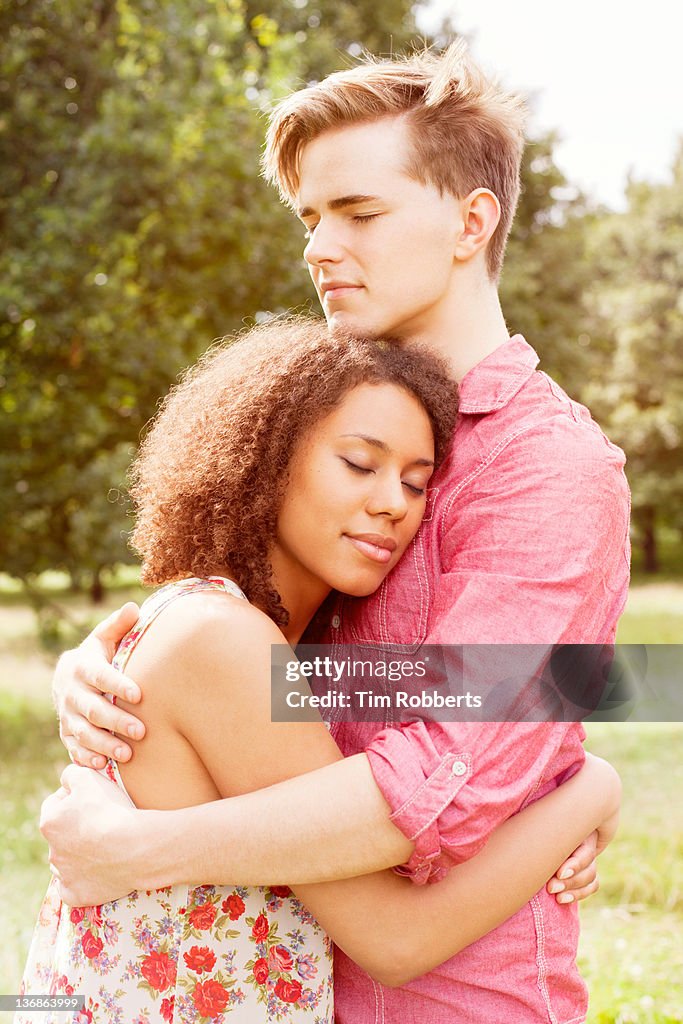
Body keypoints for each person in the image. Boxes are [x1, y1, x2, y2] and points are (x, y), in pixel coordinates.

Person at [44, 40, 630, 1024]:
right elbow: (286, 673)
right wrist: (106, 672)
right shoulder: (330, 420)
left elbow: (440, 781)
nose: (318, 245)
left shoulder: (544, 471)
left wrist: (146, 844)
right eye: (310, 216)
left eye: (358, 211)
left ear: (469, 221)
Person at [18, 319, 620, 1024]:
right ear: (263, 460)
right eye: (359, 464)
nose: (392, 501)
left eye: (415, 483)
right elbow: (395, 937)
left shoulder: (263, 646)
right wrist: (589, 792)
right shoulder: (222, 641)